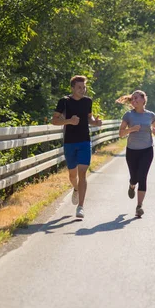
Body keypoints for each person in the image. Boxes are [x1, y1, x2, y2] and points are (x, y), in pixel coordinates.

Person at [52, 75, 102, 219]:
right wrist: (69, 121)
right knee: (72, 174)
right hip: (69, 142)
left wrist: (96, 123)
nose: (82, 90)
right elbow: (54, 120)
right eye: (79, 87)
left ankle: (80, 207)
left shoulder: (88, 101)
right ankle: (75, 188)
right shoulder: (64, 102)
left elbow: (89, 119)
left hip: (84, 141)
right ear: (72, 88)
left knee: (82, 173)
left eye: (84, 87)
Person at [116, 90, 155, 218]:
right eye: (132, 99)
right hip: (132, 150)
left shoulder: (150, 115)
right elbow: (121, 133)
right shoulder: (128, 115)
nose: (134, 101)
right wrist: (132, 129)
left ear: (143, 100)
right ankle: (131, 184)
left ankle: (139, 206)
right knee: (134, 177)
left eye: (136, 98)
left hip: (147, 150)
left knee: (143, 177)